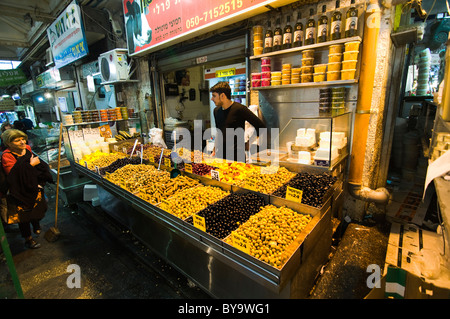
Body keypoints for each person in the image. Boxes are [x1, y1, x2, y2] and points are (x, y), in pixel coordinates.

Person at [1, 129, 53, 249]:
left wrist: (39, 181)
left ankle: (36, 225)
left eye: (23, 139)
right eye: (17, 140)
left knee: (37, 207)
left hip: (33, 185)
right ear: (8, 143)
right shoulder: (7, 156)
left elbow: (35, 169)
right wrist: (30, 165)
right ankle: (28, 238)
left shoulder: (27, 149)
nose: (22, 142)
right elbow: (14, 175)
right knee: (23, 215)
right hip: (19, 190)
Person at [210, 81, 266, 162]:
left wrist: (249, 143)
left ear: (222, 96)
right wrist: (214, 150)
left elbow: (261, 127)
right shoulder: (216, 111)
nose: (212, 99)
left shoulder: (240, 109)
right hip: (220, 157)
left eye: (214, 96)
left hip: (236, 158)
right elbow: (219, 132)